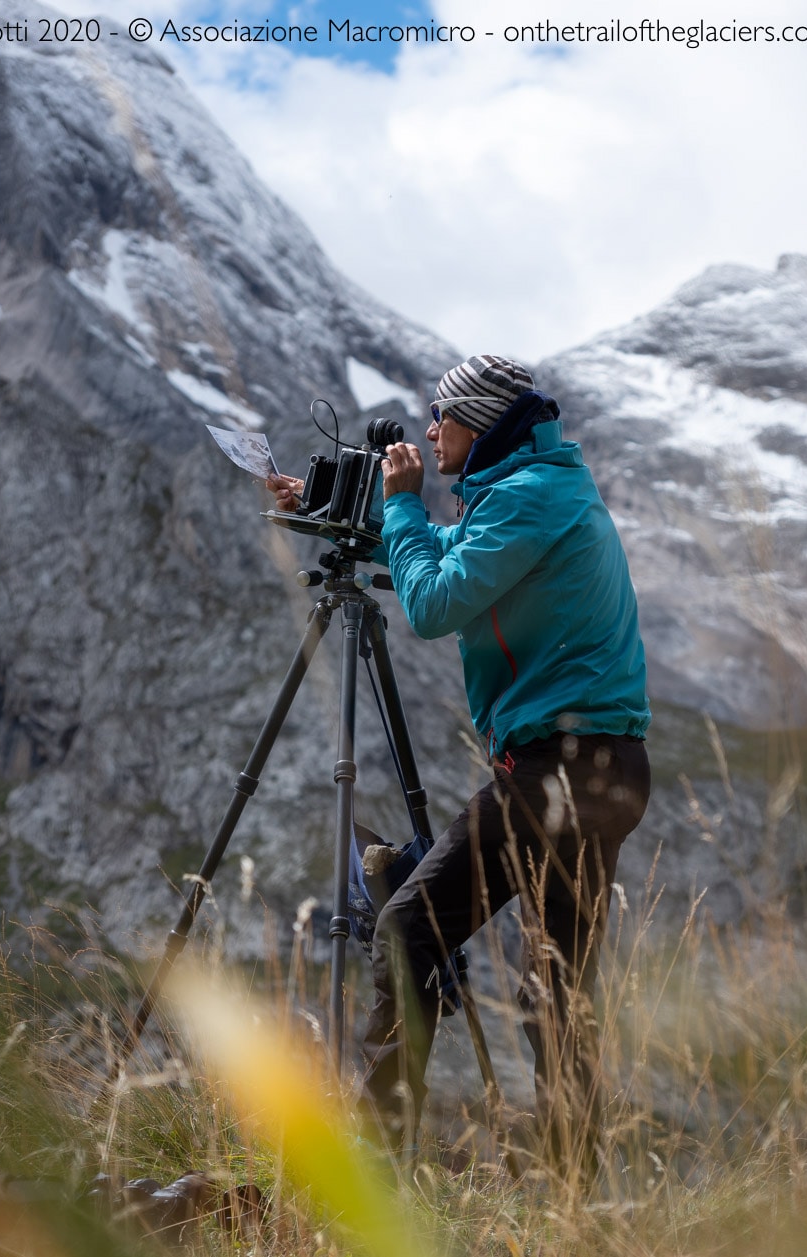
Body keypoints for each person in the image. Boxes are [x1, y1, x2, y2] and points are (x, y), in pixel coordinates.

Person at [269, 355, 651, 1180]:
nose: (430, 429)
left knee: (408, 930)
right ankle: (573, 1210)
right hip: (595, 768)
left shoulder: (528, 496)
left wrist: (401, 504)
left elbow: (437, 603)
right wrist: (338, 509)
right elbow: (453, 556)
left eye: (441, 415)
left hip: (560, 772)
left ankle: (368, 1171)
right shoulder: (535, 491)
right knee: (554, 997)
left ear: (479, 421)